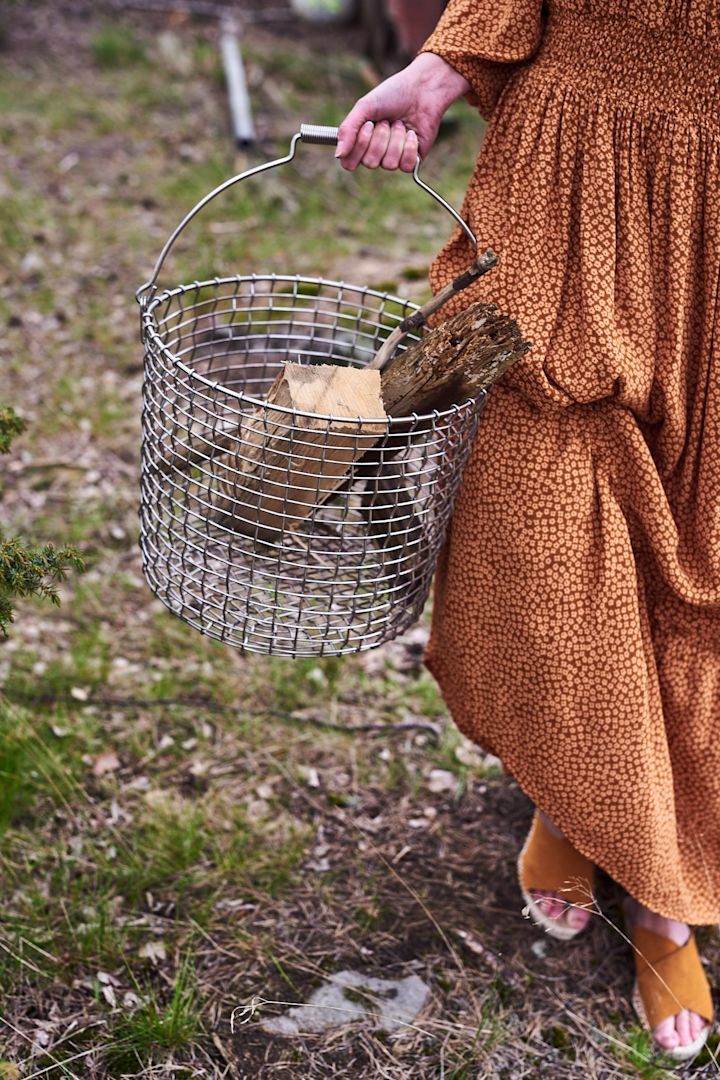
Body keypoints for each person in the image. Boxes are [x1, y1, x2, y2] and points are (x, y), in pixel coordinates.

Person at [336, 0, 719, 1064]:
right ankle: (597, 813)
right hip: (570, 164)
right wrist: (442, 68)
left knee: (702, 551)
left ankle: (649, 872)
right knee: (542, 519)